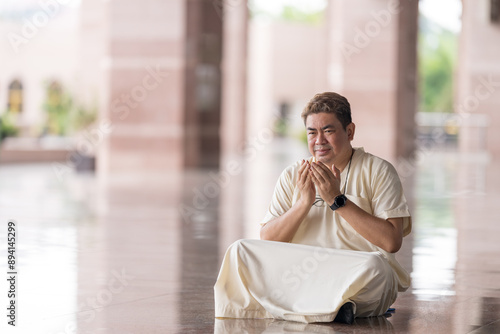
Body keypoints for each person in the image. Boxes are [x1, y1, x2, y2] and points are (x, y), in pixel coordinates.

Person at [214, 92, 411, 324]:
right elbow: (268, 238)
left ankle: (289, 307)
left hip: (352, 272)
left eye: (328, 131)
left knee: (377, 267)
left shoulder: (378, 170)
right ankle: (329, 308)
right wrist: (303, 204)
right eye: (312, 132)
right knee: (240, 251)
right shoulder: (292, 175)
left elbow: (391, 242)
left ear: (349, 132)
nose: (319, 141)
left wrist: (338, 200)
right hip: (302, 275)